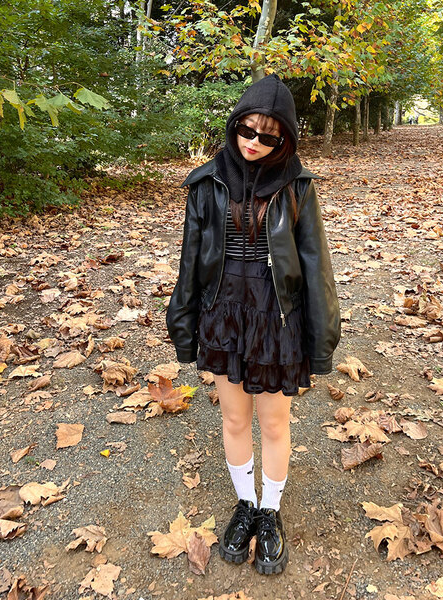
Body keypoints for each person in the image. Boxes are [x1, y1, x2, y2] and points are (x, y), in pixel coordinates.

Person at [166, 73, 341, 575]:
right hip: (223, 316)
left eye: (268, 136)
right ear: (235, 124)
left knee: (274, 422)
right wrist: (183, 325)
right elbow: (191, 260)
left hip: (275, 319)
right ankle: (245, 504)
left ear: (284, 139)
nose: (253, 142)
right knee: (234, 419)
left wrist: (321, 338)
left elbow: (316, 266)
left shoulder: (298, 187)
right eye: (247, 130)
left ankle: (270, 511)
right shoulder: (206, 184)